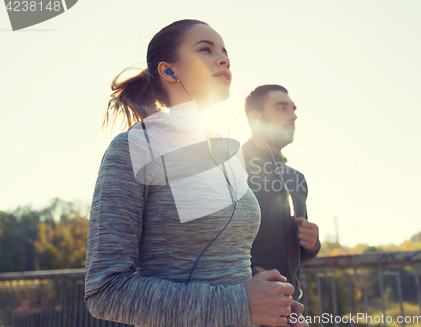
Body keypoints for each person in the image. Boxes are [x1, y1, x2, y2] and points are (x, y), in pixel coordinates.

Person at [84, 20, 308, 327]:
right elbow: (105, 292)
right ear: (169, 71)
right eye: (205, 49)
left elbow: (224, 266)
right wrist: (241, 303)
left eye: (225, 52)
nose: (224, 59)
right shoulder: (134, 148)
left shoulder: (229, 154)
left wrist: (273, 306)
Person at [242, 85, 321, 301]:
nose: (293, 116)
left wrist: (312, 244)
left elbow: (294, 251)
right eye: (281, 108)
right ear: (255, 118)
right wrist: (250, 276)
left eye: (293, 109)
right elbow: (210, 242)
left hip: (290, 305)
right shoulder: (232, 169)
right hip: (246, 307)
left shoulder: (296, 178)